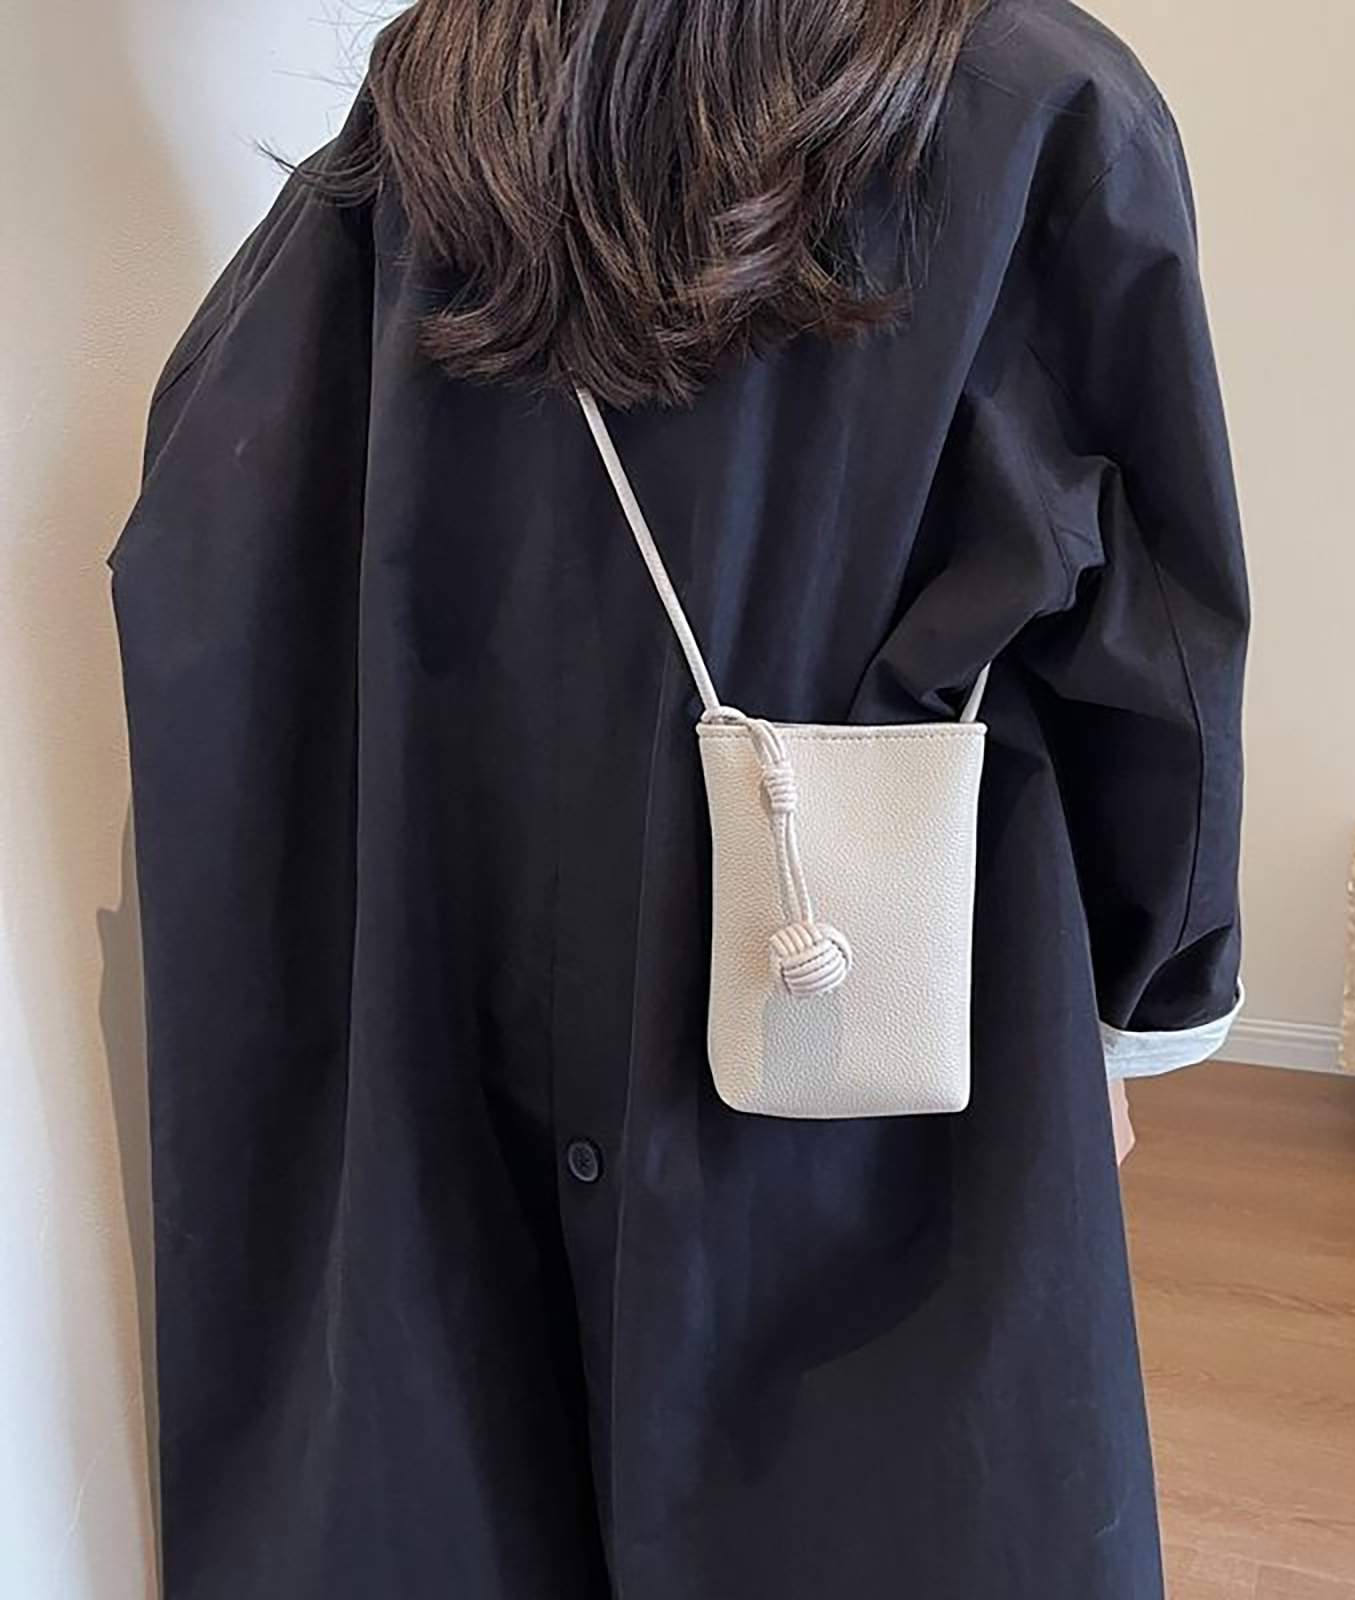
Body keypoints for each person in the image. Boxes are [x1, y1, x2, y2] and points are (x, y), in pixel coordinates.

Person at [112, 0, 1247, 1594]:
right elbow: (1157, 632)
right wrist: (1134, 1001)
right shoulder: (1036, 98)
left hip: (464, 939)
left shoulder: (444, 99)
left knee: (478, 1455)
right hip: (889, 975)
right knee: (889, 1496)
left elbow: (203, 523)